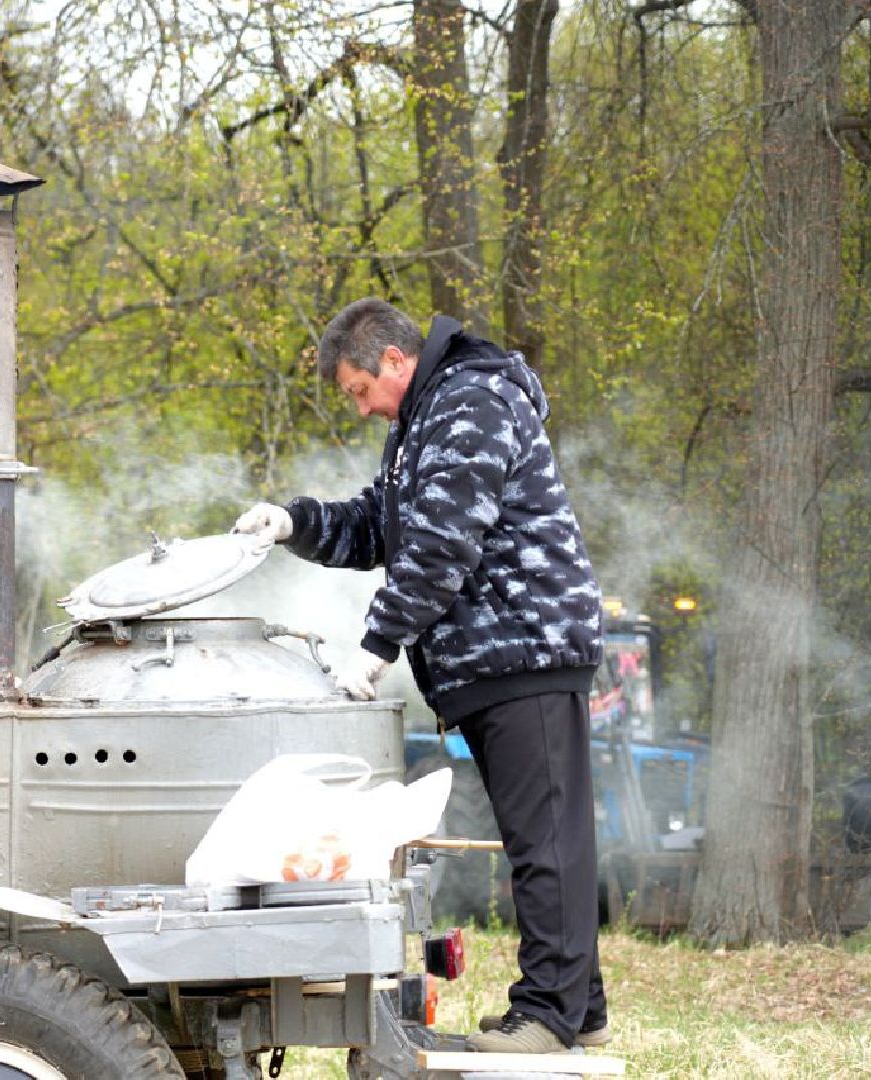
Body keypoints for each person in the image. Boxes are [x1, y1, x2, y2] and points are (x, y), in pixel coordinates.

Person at [233, 299, 608, 1055]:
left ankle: (548, 1017)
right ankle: (581, 1009)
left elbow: (439, 544)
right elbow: (383, 524)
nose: (362, 407)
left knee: (546, 844)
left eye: (358, 390)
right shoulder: (425, 419)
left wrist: (375, 649)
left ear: (395, 362)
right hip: (494, 658)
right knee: (543, 838)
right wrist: (293, 522)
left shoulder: (470, 400)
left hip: (523, 650)